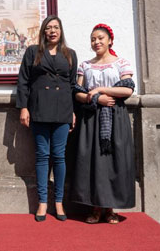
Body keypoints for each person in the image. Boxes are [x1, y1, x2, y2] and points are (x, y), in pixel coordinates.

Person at [68, 23, 135, 224]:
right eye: (93, 39)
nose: (96, 42)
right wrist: (95, 99)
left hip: (116, 118)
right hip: (90, 118)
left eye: (100, 38)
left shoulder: (121, 63)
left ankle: (110, 208)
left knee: (113, 162)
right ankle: (95, 208)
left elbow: (128, 90)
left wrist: (100, 90)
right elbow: (78, 92)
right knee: (92, 162)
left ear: (110, 40)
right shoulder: (85, 66)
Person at [16, 15, 78, 222]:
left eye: (56, 28)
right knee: (42, 155)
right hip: (39, 108)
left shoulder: (70, 54)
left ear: (61, 31)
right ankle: (43, 202)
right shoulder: (33, 52)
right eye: (48, 28)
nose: (52, 31)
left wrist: (72, 111)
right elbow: (23, 81)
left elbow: (71, 85)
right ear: (43, 32)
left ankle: (58, 201)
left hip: (62, 110)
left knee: (59, 156)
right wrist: (24, 107)